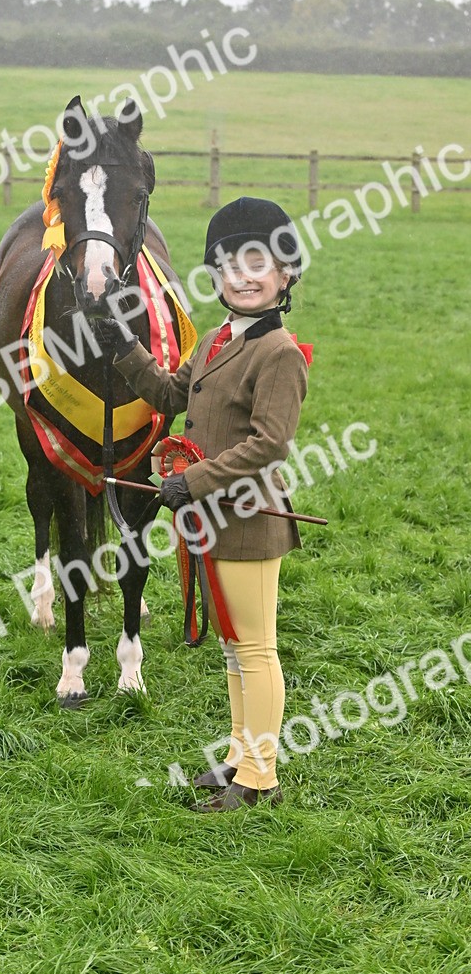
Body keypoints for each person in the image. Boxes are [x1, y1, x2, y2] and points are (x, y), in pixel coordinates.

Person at [101, 197, 310, 811]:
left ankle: (260, 777)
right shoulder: (219, 339)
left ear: (286, 274)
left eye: (258, 264)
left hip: (248, 519)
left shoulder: (280, 355)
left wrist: (190, 483)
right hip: (208, 522)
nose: (243, 277)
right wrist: (121, 344)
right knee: (232, 648)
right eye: (229, 266)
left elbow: (269, 447)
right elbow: (170, 392)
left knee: (255, 648)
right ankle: (240, 758)